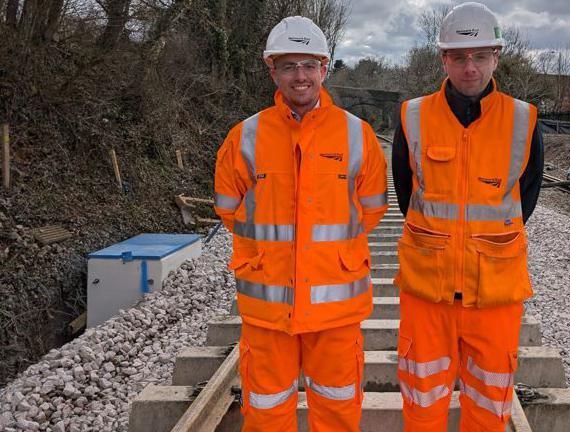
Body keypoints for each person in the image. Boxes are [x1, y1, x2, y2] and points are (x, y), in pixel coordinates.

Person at [213, 16, 387, 432]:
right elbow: (227, 207)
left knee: (338, 411)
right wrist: (270, 255)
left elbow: (372, 208)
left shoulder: (356, 135)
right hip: (268, 311)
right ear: (271, 69)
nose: (301, 76)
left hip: (335, 311)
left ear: (325, 68)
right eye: (289, 65)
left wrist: (325, 255)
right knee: (268, 413)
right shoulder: (245, 137)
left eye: (309, 65)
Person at [391, 2, 544, 431]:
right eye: (459, 56)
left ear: (497, 55)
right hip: (428, 291)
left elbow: (525, 198)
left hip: (494, 293)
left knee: (489, 402)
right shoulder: (413, 115)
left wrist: (484, 245)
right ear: (443, 59)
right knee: (423, 401)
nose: (470, 67)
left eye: (479, 56)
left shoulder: (523, 119)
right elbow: (407, 193)